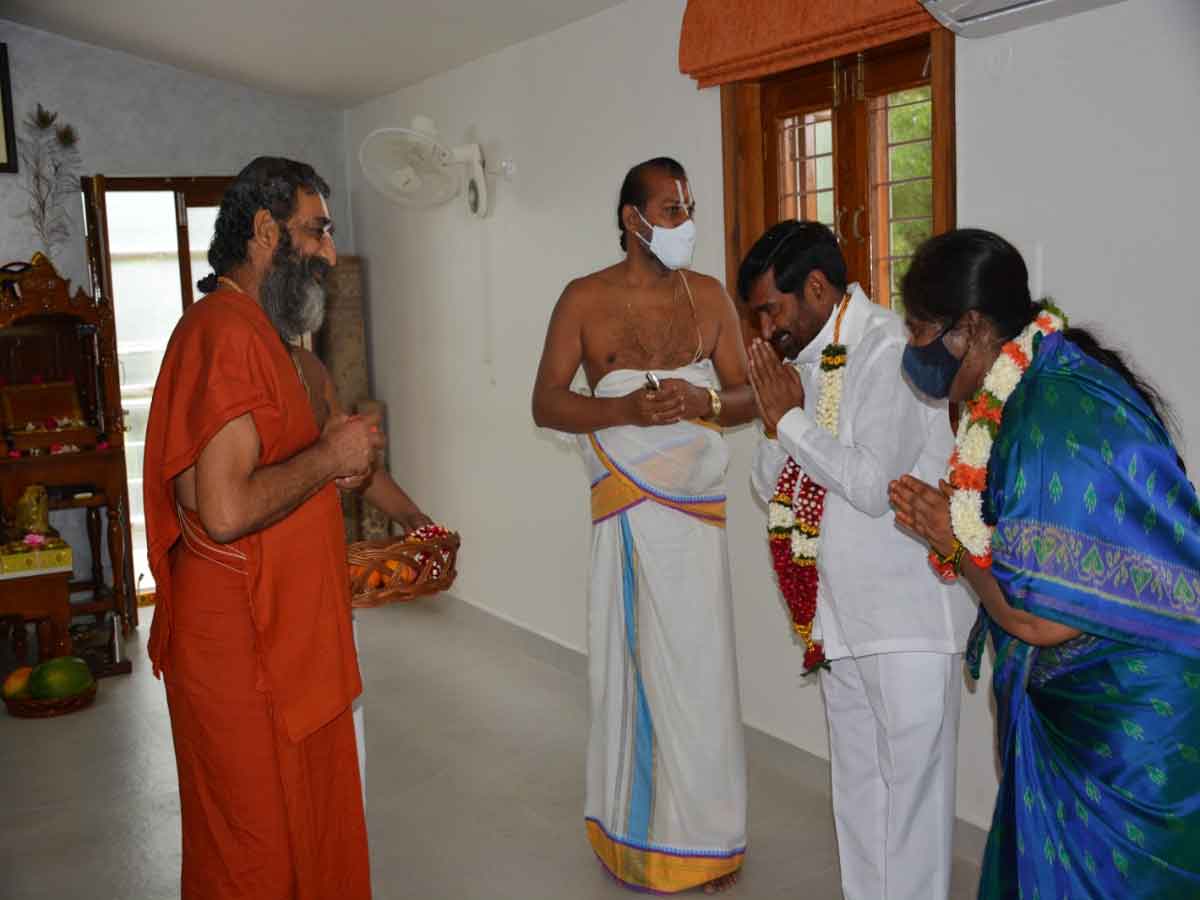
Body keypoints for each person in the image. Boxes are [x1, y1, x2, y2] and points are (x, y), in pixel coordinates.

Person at [888, 228, 1200, 898]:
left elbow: (1036, 619)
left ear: (969, 328)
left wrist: (951, 538)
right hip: (1107, 696)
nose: (912, 349)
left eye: (919, 329)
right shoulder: (1043, 379)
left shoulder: (1047, 422)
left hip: (1128, 724)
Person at [144, 157, 378, 899]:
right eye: (318, 232)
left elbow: (289, 467)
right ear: (266, 232)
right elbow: (224, 509)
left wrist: (341, 465)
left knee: (309, 827)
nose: (331, 254)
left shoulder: (270, 339)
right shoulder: (223, 331)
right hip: (242, 647)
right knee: (254, 853)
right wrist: (328, 457)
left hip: (287, 632)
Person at [531, 157, 756, 893]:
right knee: (640, 669)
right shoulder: (584, 300)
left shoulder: (713, 298)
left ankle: (710, 839)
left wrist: (706, 405)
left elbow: (751, 398)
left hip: (698, 520)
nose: (684, 223)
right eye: (669, 210)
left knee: (701, 671)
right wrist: (624, 410)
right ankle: (636, 838)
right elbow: (548, 404)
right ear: (632, 219)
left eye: (689, 208)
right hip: (630, 517)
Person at [741, 221, 975, 900]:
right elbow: (769, 483)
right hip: (838, 621)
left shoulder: (886, 352)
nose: (765, 325)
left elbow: (873, 486)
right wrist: (778, 419)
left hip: (904, 619)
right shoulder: (809, 361)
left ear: (817, 287)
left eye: (772, 308)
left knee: (911, 811)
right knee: (859, 797)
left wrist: (789, 421)